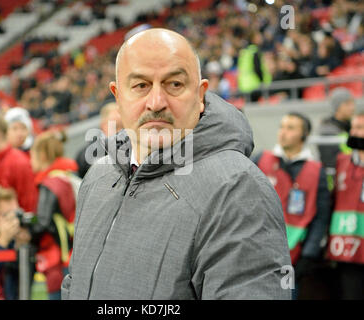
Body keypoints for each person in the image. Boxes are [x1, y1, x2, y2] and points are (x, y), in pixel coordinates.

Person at [61, 28, 291, 300]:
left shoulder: (238, 187)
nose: (156, 102)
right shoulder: (99, 175)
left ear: (201, 95)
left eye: (175, 85)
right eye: (140, 86)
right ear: (117, 95)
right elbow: (74, 284)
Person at [252, 112, 331, 299]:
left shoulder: (316, 170)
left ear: (303, 136)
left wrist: (309, 255)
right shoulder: (261, 159)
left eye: (290, 128)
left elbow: (321, 216)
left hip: (292, 257)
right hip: (255, 251)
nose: (283, 132)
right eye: (282, 127)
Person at [30, 130, 79, 300]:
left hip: (59, 259)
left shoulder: (49, 183)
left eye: (32, 156)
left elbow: (42, 222)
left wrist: (27, 233)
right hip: (76, 253)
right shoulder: (68, 176)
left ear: (42, 155)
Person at [326, 111, 364, 300]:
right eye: (353, 128)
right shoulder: (341, 161)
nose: (354, 133)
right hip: (346, 247)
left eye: (360, 128)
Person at [317, 88, 355, 189]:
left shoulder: (352, 127)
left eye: (352, 103)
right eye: (347, 104)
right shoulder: (327, 130)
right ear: (337, 106)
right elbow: (331, 163)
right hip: (336, 184)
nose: (352, 107)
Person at [75, 102, 123, 178]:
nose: (121, 131)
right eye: (116, 126)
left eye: (123, 126)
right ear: (103, 126)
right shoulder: (87, 156)